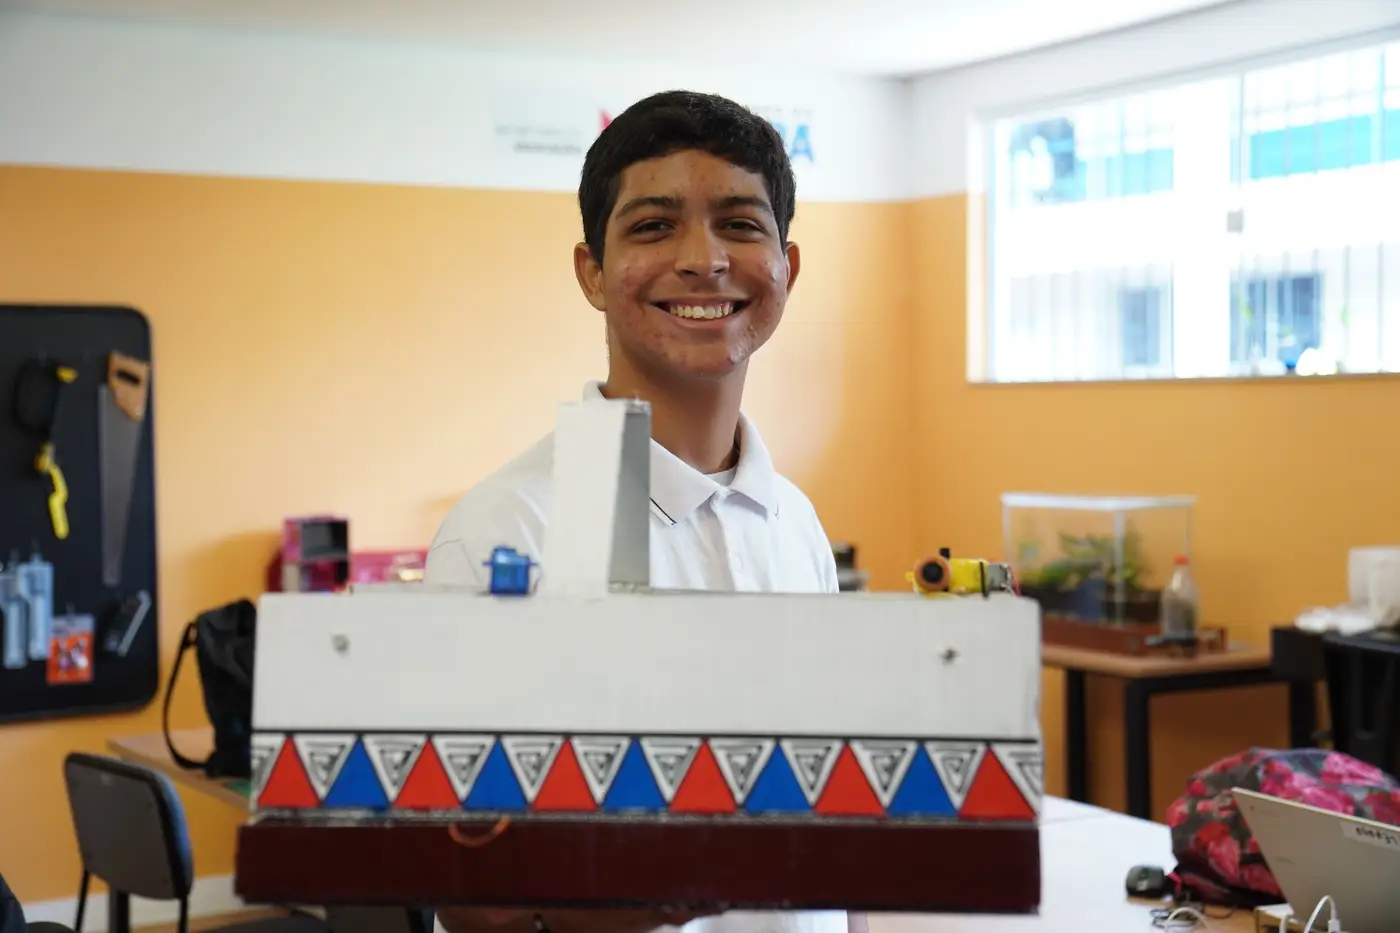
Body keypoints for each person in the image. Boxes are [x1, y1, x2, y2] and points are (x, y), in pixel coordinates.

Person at [428, 90, 844, 933]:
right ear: (591, 271)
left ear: (788, 267)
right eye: (654, 226)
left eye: (739, 224)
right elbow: (472, 901)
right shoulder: (512, 532)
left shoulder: (795, 520)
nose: (704, 260)